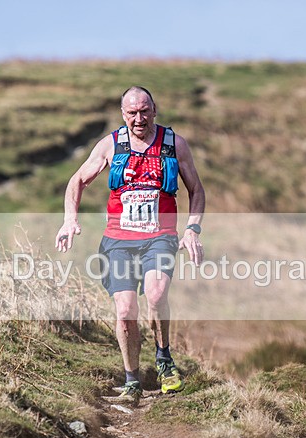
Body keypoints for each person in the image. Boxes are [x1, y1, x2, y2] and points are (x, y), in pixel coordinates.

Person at [55, 86, 205, 406]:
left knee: (156, 295)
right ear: (123, 114)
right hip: (119, 241)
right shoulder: (110, 145)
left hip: (159, 237)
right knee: (125, 311)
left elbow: (196, 190)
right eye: (132, 113)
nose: (139, 119)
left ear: (154, 110)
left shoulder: (174, 144)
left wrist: (192, 229)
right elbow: (77, 180)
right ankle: (132, 379)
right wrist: (69, 220)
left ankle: (164, 360)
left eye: (145, 111)